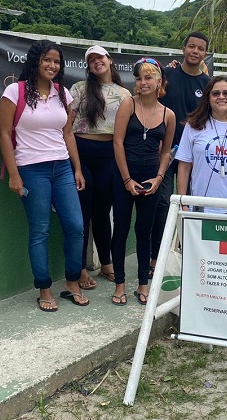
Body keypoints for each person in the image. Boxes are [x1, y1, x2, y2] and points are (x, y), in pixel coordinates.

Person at [0, 40, 89, 312]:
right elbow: (3, 134)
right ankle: (45, 289)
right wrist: (14, 174)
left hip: (61, 168)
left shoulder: (63, 93)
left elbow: (67, 133)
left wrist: (77, 168)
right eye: (47, 60)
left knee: (75, 226)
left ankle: (72, 283)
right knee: (40, 230)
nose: (52, 65)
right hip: (31, 169)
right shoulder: (15, 91)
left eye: (57, 61)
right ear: (36, 61)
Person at [112, 58, 176, 306]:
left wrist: (159, 178)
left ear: (159, 81)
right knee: (121, 229)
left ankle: (142, 284)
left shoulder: (168, 115)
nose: (142, 82)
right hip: (124, 177)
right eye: (138, 78)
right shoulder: (128, 104)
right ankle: (119, 284)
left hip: (150, 180)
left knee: (145, 232)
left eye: (148, 77)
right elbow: (117, 143)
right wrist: (127, 179)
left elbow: (166, 152)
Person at [70, 45, 131, 290]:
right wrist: (74, 164)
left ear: (110, 60)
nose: (97, 62)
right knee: (82, 214)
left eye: (100, 57)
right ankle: (82, 268)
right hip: (83, 153)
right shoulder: (79, 89)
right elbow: (67, 128)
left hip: (110, 155)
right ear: (88, 66)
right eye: (91, 59)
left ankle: (106, 262)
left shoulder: (125, 94)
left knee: (104, 212)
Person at [151, 31, 209, 276]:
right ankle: (157, 258)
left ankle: (194, 257)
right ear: (183, 48)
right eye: (191, 47)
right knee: (162, 204)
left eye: (200, 49)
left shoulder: (208, 84)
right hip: (165, 153)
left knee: (195, 205)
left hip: (196, 158)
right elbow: (150, 104)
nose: (195, 51)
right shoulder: (168, 75)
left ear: (205, 54)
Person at [176, 76, 227, 213]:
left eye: (226, 93)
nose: (221, 97)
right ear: (208, 98)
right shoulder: (193, 125)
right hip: (200, 208)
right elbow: (184, 166)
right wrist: (183, 202)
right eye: (216, 93)